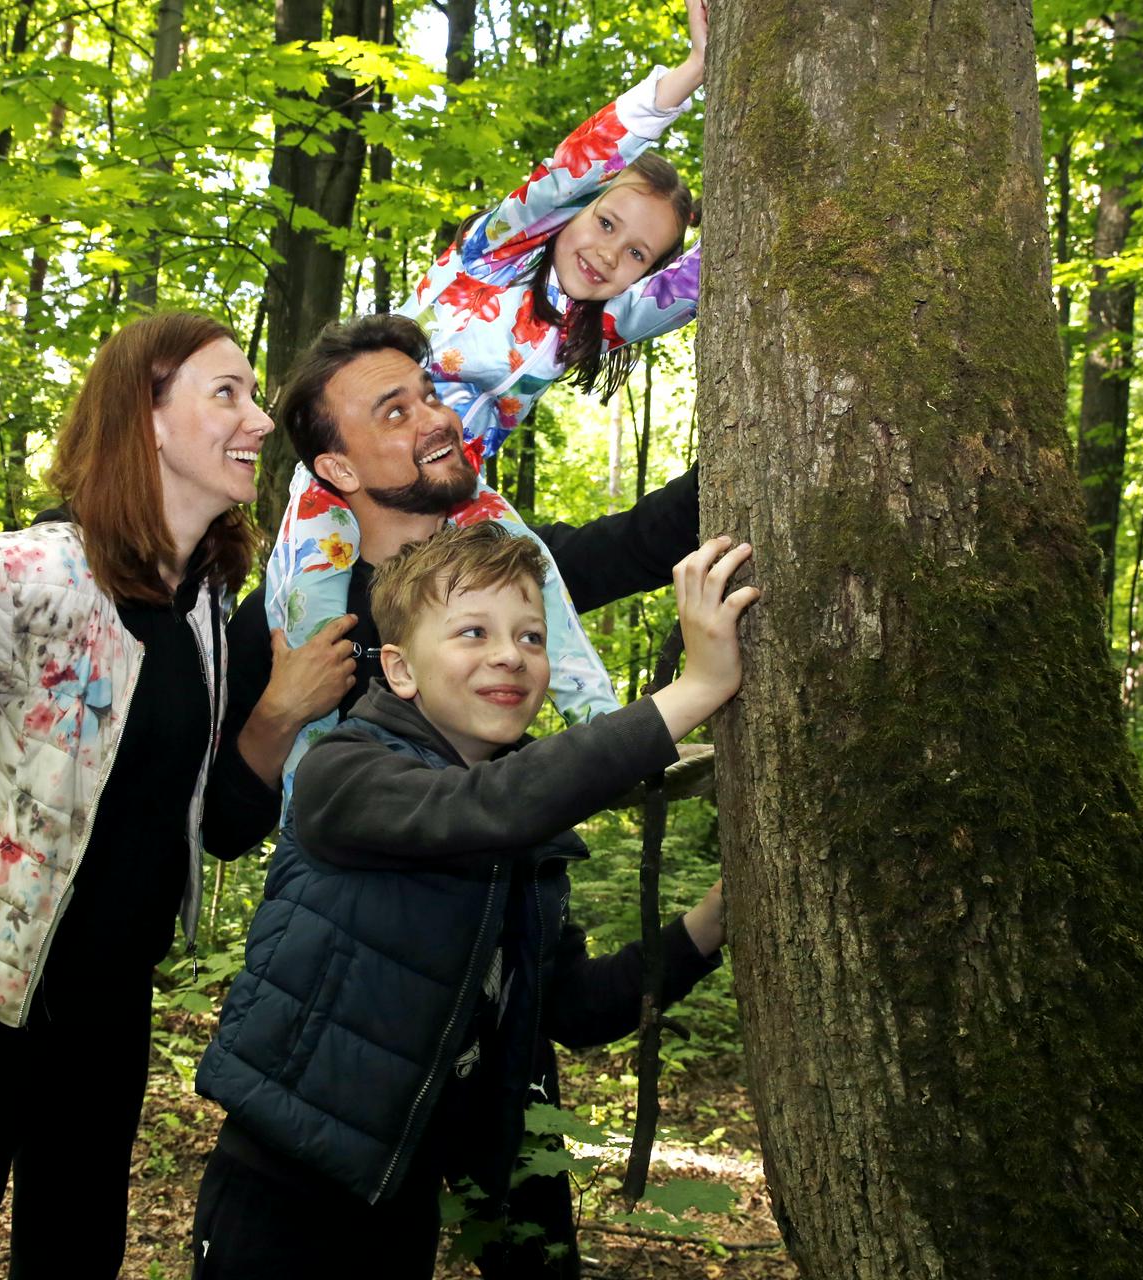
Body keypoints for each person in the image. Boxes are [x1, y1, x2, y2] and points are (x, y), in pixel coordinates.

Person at [0, 312, 315, 1278]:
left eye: (254, 397)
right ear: (150, 419)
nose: (259, 421)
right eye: (228, 393)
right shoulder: (30, 574)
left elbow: (201, 818)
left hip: (107, 1014)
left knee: (75, 1257)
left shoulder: (206, 603)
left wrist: (278, 722)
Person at [191, 522, 757, 1277]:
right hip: (288, 1187)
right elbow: (483, 809)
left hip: (403, 1190)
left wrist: (715, 921)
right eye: (472, 632)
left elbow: (576, 1008)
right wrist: (695, 689)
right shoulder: (346, 774)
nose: (508, 655)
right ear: (399, 669)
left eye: (531, 636)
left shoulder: (522, 833)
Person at [263, 0, 710, 782]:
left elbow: (697, 284)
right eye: (606, 224)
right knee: (315, 645)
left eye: (638, 253)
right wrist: (687, 80)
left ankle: (616, 750)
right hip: (344, 485)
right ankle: (310, 804)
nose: (612, 256)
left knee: (540, 589)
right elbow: (576, 161)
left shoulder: (589, 327)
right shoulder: (490, 257)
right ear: (579, 207)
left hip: (451, 493)